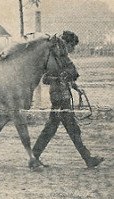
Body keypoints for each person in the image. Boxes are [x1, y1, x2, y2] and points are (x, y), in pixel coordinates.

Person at [32, 31, 104, 168]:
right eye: (72, 46)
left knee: (53, 129)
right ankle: (88, 159)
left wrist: (77, 88)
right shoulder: (54, 59)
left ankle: (34, 156)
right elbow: (45, 79)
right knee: (70, 129)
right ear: (67, 44)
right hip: (58, 98)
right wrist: (59, 78)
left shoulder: (61, 59)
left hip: (63, 98)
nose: (72, 49)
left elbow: (69, 77)